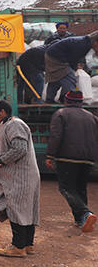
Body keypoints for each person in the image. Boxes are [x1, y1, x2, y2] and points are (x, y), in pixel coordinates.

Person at [0, 100, 40, 258]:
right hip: (21, 175)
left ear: (2, 112)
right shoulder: (7, 125)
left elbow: (20, 149)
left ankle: (18, 246)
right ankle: (28, 244)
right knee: (25, 209)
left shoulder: (14, 124)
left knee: (16, 209)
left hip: (21, 176)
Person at [45, 90, 98, 232]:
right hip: (88, 158)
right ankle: (80, 219)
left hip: (67, 157)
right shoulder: (92, 117)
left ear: (66, 101)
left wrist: (50, 155)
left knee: (66, 188)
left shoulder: (61, 114)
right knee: (81, 187)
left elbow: (55, 136)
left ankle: (85, 213)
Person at [44, 32, 98, 103]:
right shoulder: (82, 45)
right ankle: (72, 99)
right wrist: (75, 67)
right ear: (96, 43)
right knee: (69, 77)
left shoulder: (84, 43)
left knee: (57, 77)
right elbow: (72, 59)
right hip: (56, 58)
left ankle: (51, 98)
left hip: (54, 55)